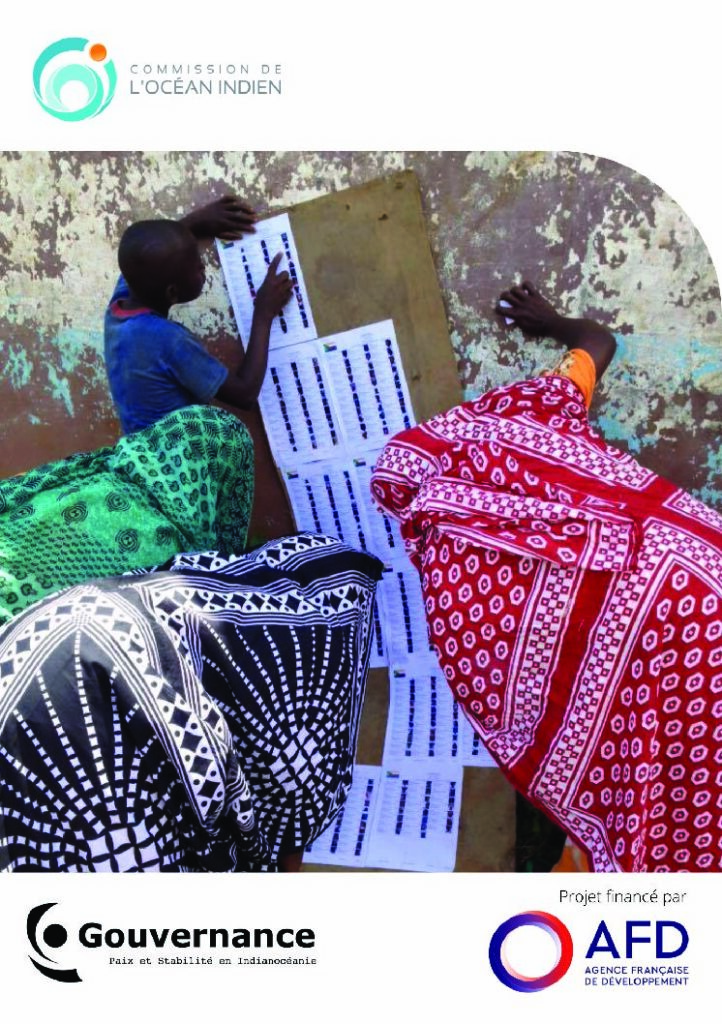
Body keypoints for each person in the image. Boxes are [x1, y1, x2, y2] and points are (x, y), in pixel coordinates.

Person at [371, 282, 722, 873]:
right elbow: (598, 340)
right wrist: (552, 321)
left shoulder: (454, 571)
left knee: (664, 782)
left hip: (669, 639)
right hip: (701, 559)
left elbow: (505, 692)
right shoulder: (539, 410)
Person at [105, 195, 293, 434]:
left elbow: (149, 252)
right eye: (197, 268)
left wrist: (195, 221)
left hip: (138, 449)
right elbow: (245, 393)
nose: (203, 266)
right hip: (176, 454)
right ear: (173, 292)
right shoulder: (167, 340)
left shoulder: (120, 305)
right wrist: (264, 312)